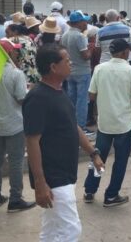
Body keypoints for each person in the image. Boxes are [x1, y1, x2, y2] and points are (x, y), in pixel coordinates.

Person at [23, 44, 104, 240]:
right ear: (53, 67)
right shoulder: (37, 98)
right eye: (66, 61)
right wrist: (40, 182)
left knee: (51, 230)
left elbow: (73, 127)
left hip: (65, 173)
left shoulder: (59, 92)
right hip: (53, 177)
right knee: (70, 230)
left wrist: (93, 153)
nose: (71, 64)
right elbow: (32, 142)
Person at [84, 39, 131, 207]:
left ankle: (90, 190)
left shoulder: (99, 69)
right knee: (120, 160)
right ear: (125, 52)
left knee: (98, 157)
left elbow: (91, 96)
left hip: (105, 123)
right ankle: (111, 195)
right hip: (124, 124)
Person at [0, 39, 36, 212]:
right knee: (15, 162)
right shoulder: (15, 74)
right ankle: (15, 199)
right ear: (8, 53)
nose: (16, 53)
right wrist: (29, 91)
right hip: (15, 124)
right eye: (13, 50)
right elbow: (21, 98)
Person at [60, 11, 94, 137]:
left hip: (70, 71)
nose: (86, 23)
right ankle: (81, 127)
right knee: (82, 100)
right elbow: (85, 56)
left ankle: (72, 124)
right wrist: (91, 49)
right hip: (82, 71)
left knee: (72, 99)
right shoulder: (80, 36)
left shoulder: (65, 35)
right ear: (79, 23)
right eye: (85, 21)